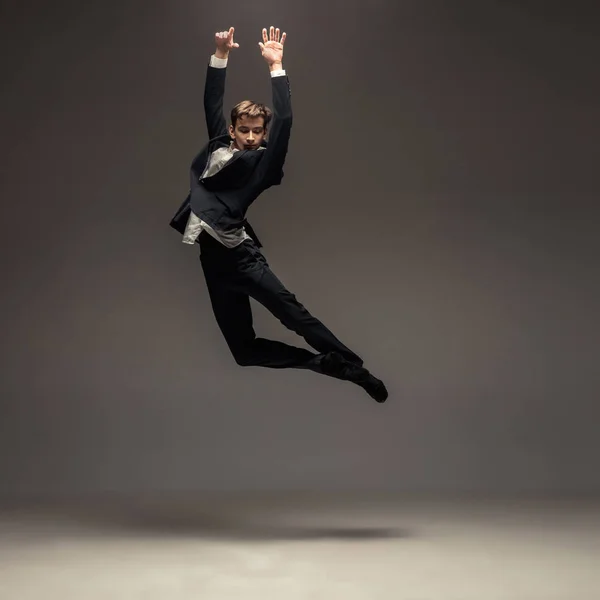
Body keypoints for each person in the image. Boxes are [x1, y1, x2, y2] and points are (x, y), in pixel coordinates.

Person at [170, 26, 388, 403]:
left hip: (242, 260)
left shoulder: (262, 165)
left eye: (258, 132)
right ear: (233, 130)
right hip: (214, 265)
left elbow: (284, 122)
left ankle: (354, 368)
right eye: (245, 130)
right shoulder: (217, 147)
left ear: (263, 135)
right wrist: (220, 54)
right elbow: (211, 102)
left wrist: (277, 67)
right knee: (244, 352)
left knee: (295, 316)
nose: (252, 137)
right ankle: (320, 363)